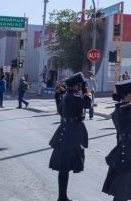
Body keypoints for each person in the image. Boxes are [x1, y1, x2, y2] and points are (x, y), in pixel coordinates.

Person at [102, 78, 131, 201]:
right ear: (128, 95)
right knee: (123, 189)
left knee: (125, 188)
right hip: (129, 151)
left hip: (127, 148)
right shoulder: (125, 109)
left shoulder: (120, 108)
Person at [49, 73, 92, 201]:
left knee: (64, 167)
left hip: (66, 131)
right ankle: (62, 198)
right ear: (78, 85)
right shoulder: (72, 96)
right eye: (81, 84)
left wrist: (58, 95)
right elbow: (88, 104)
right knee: (64, 167)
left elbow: (60, 110)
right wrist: (87, 92)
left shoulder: (66, 96)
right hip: (70, 134)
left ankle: (62, 197)